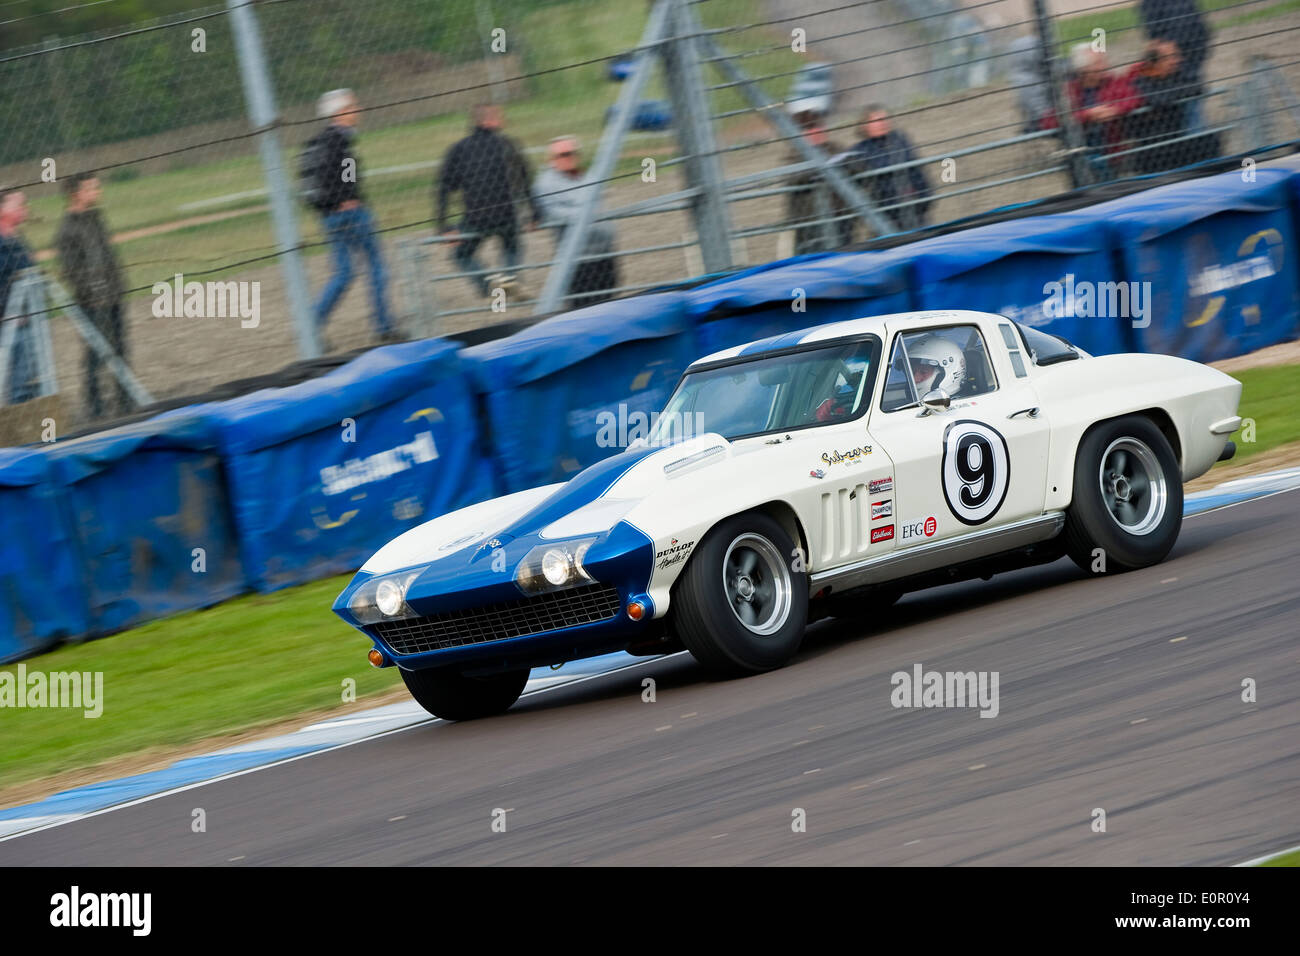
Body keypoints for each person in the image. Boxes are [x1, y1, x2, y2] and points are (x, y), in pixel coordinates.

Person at [307, 88, 396, 344]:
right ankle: (384, 327)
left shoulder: (321, 141)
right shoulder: (340, 141)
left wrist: (332, 203)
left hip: (329, 216)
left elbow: (325, 177)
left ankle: (312, 326)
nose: (358, 111)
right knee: (377, 267)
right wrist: (346, 200)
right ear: (340, 112)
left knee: (344, 274)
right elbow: (344, 175)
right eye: (353, 107)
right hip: (351, 214)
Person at [435, 103, 542, 297]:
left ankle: (489, 285)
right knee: (511, 247)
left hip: (476, 218)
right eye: (499, 116)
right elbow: (525, 182)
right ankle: (509, 280)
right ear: (487, 120)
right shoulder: (508, 144)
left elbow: (443, 188)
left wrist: (443, 225)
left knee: (462, 254)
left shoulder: (459, 150)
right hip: (507, 215)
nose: (503, 120)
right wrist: (534, 212)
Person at [55, 172, 129, 418]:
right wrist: (92, 294)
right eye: (91, 188)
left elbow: (108, 255)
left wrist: (117, 286)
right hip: (91, 302)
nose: (97, 192)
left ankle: (125, 401)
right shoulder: (66, 230)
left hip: (113, 295)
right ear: (76, 194)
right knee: (94, 355)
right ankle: (95, 407)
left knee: (121, 348)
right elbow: (72, 271)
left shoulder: (96, 218)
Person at [533, 135, 620, 309]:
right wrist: (588, 213)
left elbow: (598, 204)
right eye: (563, 154)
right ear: (552, 159)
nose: (569, 157)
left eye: (572, 153)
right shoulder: (546, 183)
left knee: (608, 299)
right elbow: (555, 214)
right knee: (583, 306)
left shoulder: (585, 176)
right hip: (577, 258)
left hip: (603, 252)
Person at [847, 106, 933, 232]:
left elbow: (917, 169)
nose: (883, 123)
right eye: (877, 120)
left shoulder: (900, 140)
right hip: (886, 213)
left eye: (885, 119)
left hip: (915, 207)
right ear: (865, 126)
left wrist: (925, 197)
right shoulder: (860, 150)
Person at [782, 106, 854, 255]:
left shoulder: (835, 148)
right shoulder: (794, 157)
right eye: (810, 129)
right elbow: (795, 177)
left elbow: (858, 165)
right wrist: (824, 166)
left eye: (819, 126)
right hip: (811, 227)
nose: (817, 131)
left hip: (842, 221)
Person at [1065, 46, 1141, 179]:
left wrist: (1115, 109)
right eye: (1098, 63)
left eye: (1104, 61)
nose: (1105, 65)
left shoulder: (1112, 81)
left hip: (1111, 147)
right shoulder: (1070, 89)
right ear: (1083, 69)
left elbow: (1134, 97)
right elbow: (1052, 119)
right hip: (1083, 146)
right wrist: (1088, 115)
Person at [0, 189, 38, 405]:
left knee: (31, 377)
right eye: (18, 204)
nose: (25, 208)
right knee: (19, 381)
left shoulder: (17, 239)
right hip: (9, 320)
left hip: (26, 317)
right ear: (2, 209)